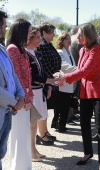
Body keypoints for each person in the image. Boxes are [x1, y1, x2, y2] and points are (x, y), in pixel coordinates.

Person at [54, 23, 100, 170]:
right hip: (85, 91)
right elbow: (80, 70)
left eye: (80, 35)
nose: (77, 37)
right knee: (84, 124)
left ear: (88, 36)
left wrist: (65, 77)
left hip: (99, 92)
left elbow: (84, 71)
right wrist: (66, 77)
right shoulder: (82, 50)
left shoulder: (96, 50)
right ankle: (87, 153)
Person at [26, 27, 58, 161]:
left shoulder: (36, 52)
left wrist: (48, 84)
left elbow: (42, 71)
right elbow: (31, 76)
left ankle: (34, 150)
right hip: (32, 91)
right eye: (38, 37)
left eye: (40, 37)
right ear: (30, 38)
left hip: (40, 91)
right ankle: (31, 152)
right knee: (32, 124)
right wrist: (48, 80)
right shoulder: (25, 53)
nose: (40, 40)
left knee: (36, 122)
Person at [6, 19, 33, 170]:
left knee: (24, 135)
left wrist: (30, 97)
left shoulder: (21, 48)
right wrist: (26, 98)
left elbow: (27, 76)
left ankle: (24, 166)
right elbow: (16, 77)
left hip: (26, 99)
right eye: (29, 31)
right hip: (19, 100)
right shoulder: (12, 49)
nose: (30, 34)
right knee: (19, 136)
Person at [0, 11, 25, 170]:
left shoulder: (2, 49)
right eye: (3, 26)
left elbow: (14, 75)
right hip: (7, 107)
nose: (5, 29)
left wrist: (21, 95)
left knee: (1, 153)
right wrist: (14, 102)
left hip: (8, 111)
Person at [35, 22, 62, 132]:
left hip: (52, 80)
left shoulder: (48, 44)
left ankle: (44, 131)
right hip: (47, 82)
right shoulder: (42, 45)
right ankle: (42, 133)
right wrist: (52, 80)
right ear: (44, 33)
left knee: (46, 109)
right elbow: (45, 66)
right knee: (43, 109)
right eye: (51, 32)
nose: (53, 35)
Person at [55, 32, 77, 131]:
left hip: (70, 82)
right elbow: (65, 66)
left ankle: (62, 125)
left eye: (69, 38)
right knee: (63, 107)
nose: (69, 40)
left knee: (66, 106)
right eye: (66, 39)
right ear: (61, 41)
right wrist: (78, 69)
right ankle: (60, 126)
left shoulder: (69, 51)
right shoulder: (60, 52)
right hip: (63, 84)